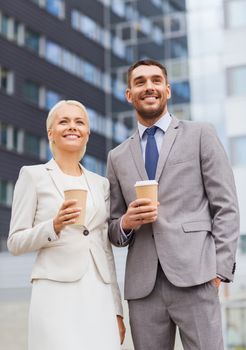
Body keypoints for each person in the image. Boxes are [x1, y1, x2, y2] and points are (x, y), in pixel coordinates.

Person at [107, 59, 240, 350]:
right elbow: (113, 229)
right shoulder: (117, 156)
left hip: (197, 276)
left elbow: (226, 205)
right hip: (143, 289)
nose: (149, 86)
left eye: (156, 80)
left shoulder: (200, 134)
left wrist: (220, 270)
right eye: (139, 82)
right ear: (129, 95)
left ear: (167, 90)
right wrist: (126, 222)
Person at [8, 100, 125, 350]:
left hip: (98, 291)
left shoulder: (100, 183)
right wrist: (54, 226)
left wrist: (117, 309)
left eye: (79, 122)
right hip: (55, 291)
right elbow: (15, 242)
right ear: (51, 132)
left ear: (87, 133)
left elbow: (105, 249)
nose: (72, 127)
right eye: (64, 121)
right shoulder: (33, 176)